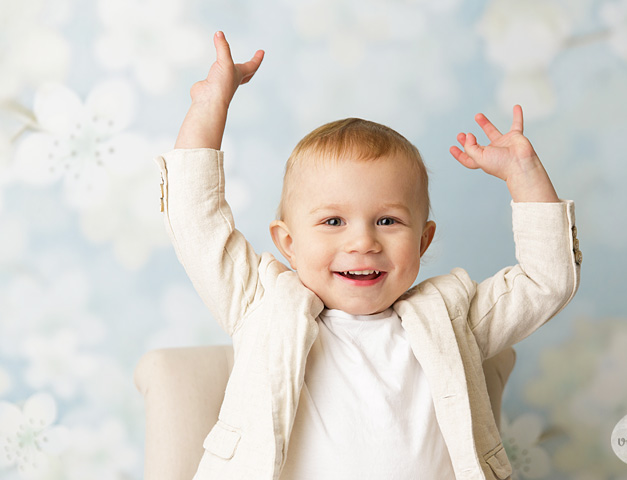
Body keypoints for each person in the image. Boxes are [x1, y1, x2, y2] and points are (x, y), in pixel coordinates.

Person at [155, 31, 581, 480]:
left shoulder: (454, 319)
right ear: (288, 243)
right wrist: (209, 108)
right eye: (333, 222)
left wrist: (525, 176)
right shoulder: (260, 304)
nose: (363, 243)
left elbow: (547, 280)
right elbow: (196, 222)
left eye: (387, 221)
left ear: (422, 242)